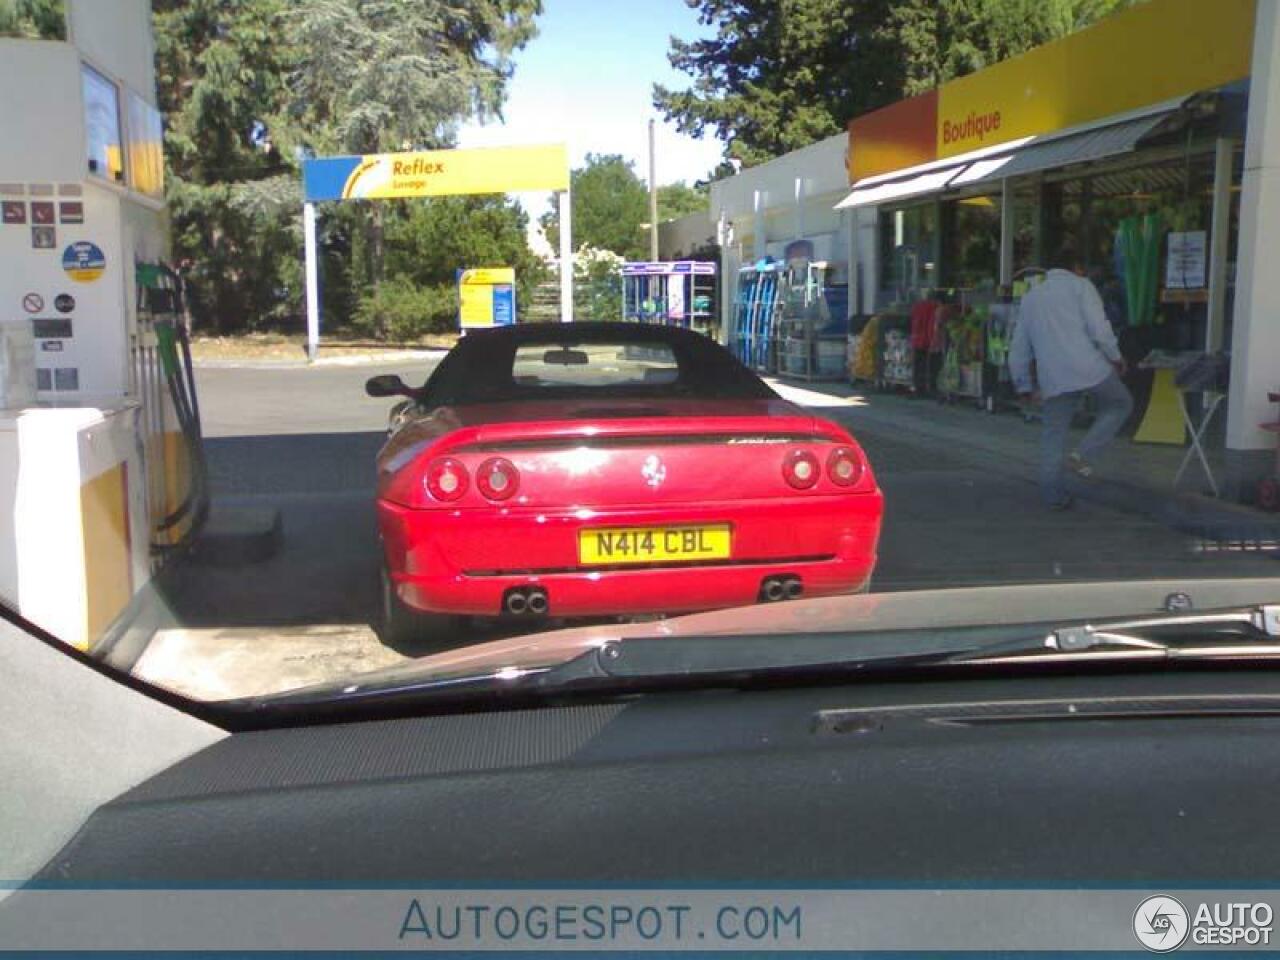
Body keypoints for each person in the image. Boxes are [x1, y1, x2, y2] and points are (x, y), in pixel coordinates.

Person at [1010, 249, 1133, 510]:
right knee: (1120, 404)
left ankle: (1053, 496)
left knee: (1053, 435)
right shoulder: (1081, 286)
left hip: (1054, 377)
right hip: (1089, 368)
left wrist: (1022, 384)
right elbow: (1099, 329)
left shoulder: (1031, 298)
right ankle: (1082, 455)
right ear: (1077, 267)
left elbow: (1019, 346)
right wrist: (1116, 357)